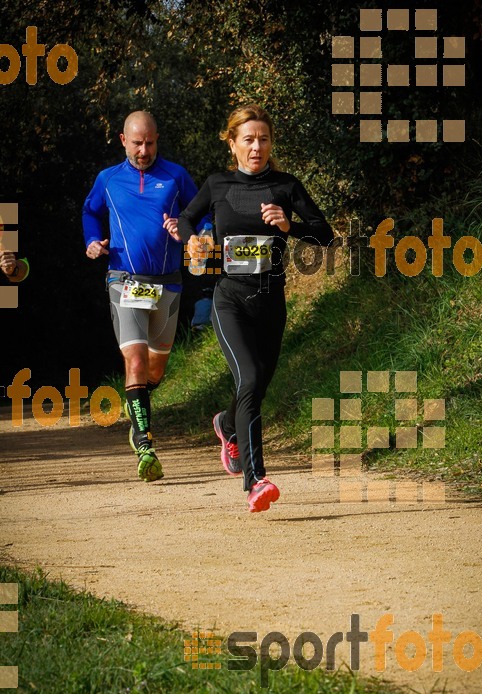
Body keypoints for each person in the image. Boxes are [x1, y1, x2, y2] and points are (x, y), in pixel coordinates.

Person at [178, 104, 334, 512]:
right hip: (228, 298)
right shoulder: (217, 184)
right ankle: (255, 480)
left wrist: (288, 226)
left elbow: (324, 235)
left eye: (263, 139)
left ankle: (226, 425)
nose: (256, 147)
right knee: (248, 377)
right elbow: (187, 219)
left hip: (270, 300)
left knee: (257, 384)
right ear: (232, 144)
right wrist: (192, 240)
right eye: (248, 139)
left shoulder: (286, 185)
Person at [82, 111, 207, 482]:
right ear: (123, 140)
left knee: (155, 369)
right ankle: (145, 442)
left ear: (157, 139)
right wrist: (92, 241)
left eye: (150, 143)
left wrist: (187, 231)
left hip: (168, 283)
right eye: (137, 143)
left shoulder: (176, 175)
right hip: (124, 280)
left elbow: (202, 217)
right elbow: (90, 212)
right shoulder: (108, 179)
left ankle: (137, 400)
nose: (144, 150)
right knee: (134, 362)